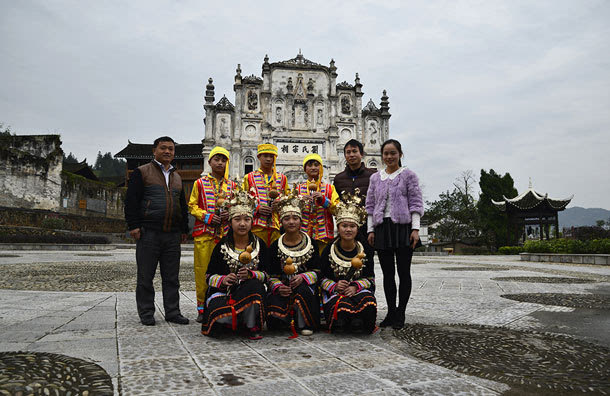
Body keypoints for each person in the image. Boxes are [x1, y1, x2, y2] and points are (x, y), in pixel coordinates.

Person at [124, 136, 189, 326]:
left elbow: (181, 205)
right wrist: (133, 226)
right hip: (148, 232)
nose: (167, 151)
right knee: (146, 276)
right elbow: (131, 202)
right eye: (163, 148)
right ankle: (146, 312)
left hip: (172, 234)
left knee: (172, 277)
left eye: (171, 149)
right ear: (154, 151)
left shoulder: (177, 177)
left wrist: (184, 229)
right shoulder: (142, 172)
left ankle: (173, 311)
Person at [366, 139, 424, 329]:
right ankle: (390, 312)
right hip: (382, 227)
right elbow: (370, 205)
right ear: (382, 156)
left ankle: (401, 313)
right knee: (387, 274)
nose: (389, 157)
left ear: (400, 154)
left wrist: (415, 229)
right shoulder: (376, 178)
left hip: (403, 227)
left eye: (393, 153)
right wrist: (371, 229)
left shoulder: (409, 175)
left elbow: (416, 203)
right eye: (386, 153)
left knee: (404, 272)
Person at [200, 187, 268, 340]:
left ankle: (251, 325)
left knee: (255, 286)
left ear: (252, 221)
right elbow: (208, 276)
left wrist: (252, 274)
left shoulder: (260, 245)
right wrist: (223, 280)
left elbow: (268, 275)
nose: (242, 224)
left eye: (247, 219)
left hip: (250, 293)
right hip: (226, 293)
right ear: (230, 222)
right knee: (218, 315)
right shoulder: (222, 246)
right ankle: (234, 321)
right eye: (237, 220)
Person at [188, 147, 238, 323]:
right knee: (202, 271)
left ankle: (222, 303)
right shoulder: (199, 184)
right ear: (209, 162)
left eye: (223, 160)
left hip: (225, 235)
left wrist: (229, 215)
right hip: (205, 234)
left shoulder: (232, 186)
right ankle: (202, 308)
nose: (220, 163)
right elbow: (192, 206)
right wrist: (207, 217)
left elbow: (238, 207)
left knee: (226, 270)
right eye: (216, 159)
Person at [320, 190, 377, 334]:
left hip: (357, 291)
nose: (348, 230)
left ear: (357, 229)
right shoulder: (329, 250)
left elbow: (370, 278)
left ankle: (358, 321)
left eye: (352, 226)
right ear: (338, 228)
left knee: (368, 302)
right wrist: (335, 286)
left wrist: (356, 287)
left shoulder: (365, 251)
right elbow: (321, 278)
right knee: (341, 307)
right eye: (344, 226)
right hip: (335, 292)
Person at [265, 190, 320, 336]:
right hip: (283, 286)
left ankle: (305, 323)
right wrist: (278, 286)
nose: (291, 222)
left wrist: (304, 277)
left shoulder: (311, 243)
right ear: (281, 222)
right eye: (287, 218)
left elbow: (319, 270)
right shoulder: (275, 246)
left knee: (303, 291)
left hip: (304, 286)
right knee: (275, 306)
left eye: (295, 218)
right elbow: (269, 273)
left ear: (301, 221)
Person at [243, 144, 289, 246]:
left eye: (271, 156)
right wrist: (257, 208)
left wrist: (280, 205)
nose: (268, 159)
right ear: (259, 157)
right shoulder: (249, 177)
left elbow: (288, 200)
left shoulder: (282, 178)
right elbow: (242, 202)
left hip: (277, 226)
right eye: (265, 156)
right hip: (256, 226)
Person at [295, 153, 339, 254]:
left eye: (316, 164)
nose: (313, 167)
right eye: (310, 165)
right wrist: (300, 202)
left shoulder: (329, 188)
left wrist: (324, 200)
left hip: (323, 234)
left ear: (321, 168)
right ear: (305, 169)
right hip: (302, 233)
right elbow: (290, 209)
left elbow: (337, 210)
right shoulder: (298, 189)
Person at [333, 139, 375, 238]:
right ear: (344, 156)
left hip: (367, 227)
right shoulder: (338, 179)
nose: (351, 155)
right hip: (346, 228)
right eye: (348, 152)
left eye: (354, 151)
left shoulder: (373, 176)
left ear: (362, 154)